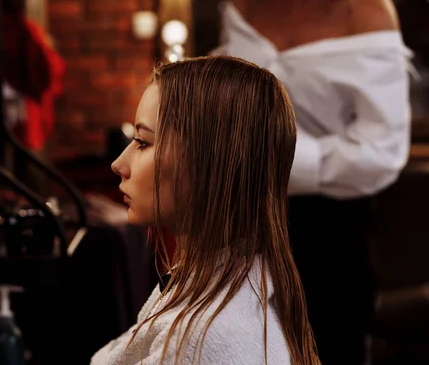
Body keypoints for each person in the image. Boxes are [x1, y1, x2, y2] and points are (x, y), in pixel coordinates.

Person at [212, 0, 411, 363]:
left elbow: (382, 149)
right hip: (237, 225)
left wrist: (271, 159)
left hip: (329, 231)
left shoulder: (366, 9)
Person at [90, 57, 320, 364]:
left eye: (143, 142)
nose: (119, 165)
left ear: (209, 162)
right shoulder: (227, 293)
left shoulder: (204, 339)